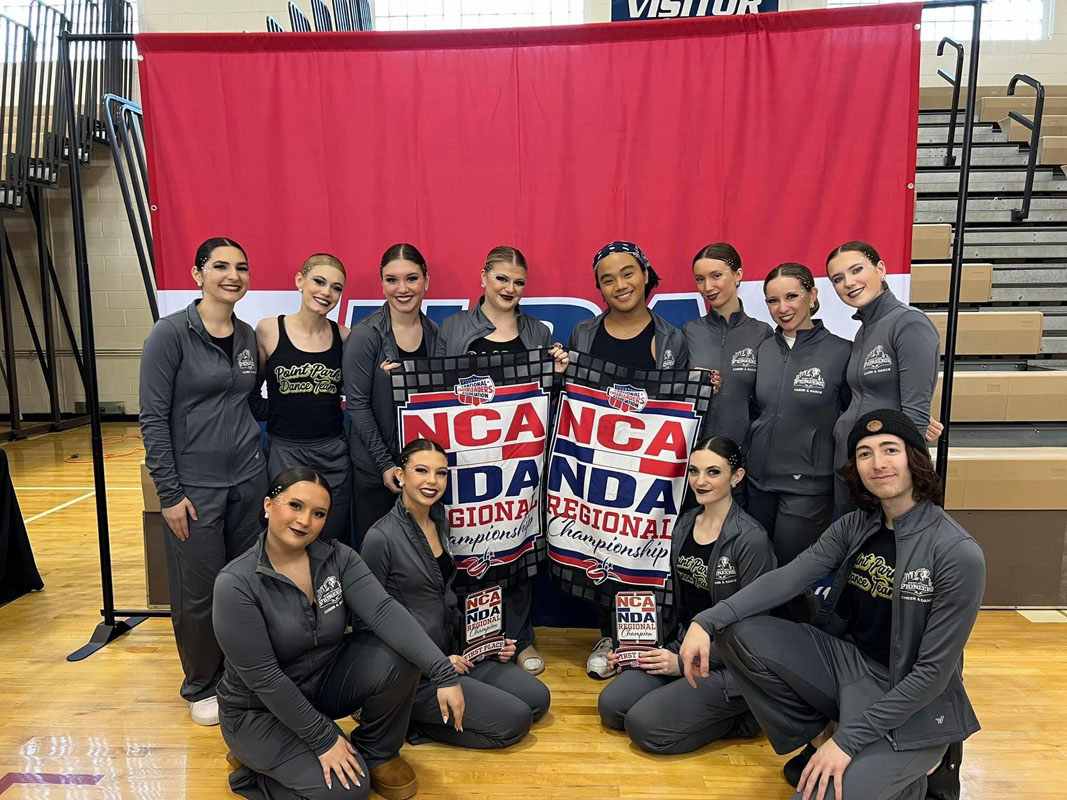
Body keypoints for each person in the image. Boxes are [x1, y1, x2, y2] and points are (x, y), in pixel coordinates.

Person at [679, 409, 985, 800]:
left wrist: (847, 743)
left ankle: (918, 769)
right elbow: (789, 577)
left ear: (915, 457)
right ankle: (827, 734)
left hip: (913, 703)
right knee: (739, 630)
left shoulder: (957, 552)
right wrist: (707, 620)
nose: (878, 463)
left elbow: (931, 675)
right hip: (850, 668)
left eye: (890, 449)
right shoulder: (857, 524)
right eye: (864, 453)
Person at [214, 467, 466, 800]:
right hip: (257, 710)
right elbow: (265, 679)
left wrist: (443, 673)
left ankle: (379, 753)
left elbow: (385, 612)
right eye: (295, 505)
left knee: (398, 653)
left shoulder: (338, 558)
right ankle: (253, 774)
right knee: (349, 792)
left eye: (318, 513)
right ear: (268, 505)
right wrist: (324, 739)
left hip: (320, 686)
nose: (305, 521)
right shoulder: (235, 584)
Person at [139, 237, 267, 726]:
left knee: (244, 585)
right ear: (198, 274)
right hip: (195, 490)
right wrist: (170, 494)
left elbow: (250, 404)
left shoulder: (246, 337)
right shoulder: (169, 335)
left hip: (248, 483)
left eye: (241, 267)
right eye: (220, 266)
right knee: (198, 593)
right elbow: (152, 419)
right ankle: (200, 685)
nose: (232, 276)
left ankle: (240, 674)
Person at [361, 438, 551, 749]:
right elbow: (369, 624)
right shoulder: (380, 538)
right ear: (400, 475)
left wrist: (485, 644)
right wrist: (435, 663)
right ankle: (405, 719)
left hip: (455, 654)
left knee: (537, 698)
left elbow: (443, 601)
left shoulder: (440, 518)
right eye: (421, 471)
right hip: (414, 673)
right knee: (515, 722)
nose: (432, 481)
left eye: (441, 473)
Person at [434, 245, 568, 676]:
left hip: (520, 459)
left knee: (520, 546)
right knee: (469, 551)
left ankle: (521, 638)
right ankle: (472, 639)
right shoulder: (454, 328)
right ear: (483, 277)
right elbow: (436, 392)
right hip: (467, 459)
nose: (509, 288)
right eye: (502, 278)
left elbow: (549, 396)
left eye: (518, 282)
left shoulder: (537, 333)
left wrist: (560, 370)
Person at [596, 436, 773, 754]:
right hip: (684, 646)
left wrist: (680, 664)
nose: (700, 481)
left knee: (644, 728)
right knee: (612, 706)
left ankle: (747, 719)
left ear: (737, 477)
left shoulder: (751, 539)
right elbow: (675, 605)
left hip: (732, 664)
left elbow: (757, 634)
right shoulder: (684, 524)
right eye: (694, 471)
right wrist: (635, 650)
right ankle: (685, 702)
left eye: (713, 472)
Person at [567, 240, 693, 679]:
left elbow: (680, 405)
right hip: (596, 462)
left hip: (650, 464)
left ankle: (640, 638)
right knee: (601, 547)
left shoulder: (671, 337)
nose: (619, 284)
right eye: (607, 279)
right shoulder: (585, 333)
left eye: (627, 273)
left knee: (644, 547)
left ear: (645, 274)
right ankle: (608, 634)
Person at [745, 263, 851, 566]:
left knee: (791, 576)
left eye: (792, 296)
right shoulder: (763, 350)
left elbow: (862, 408)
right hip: (758, 483)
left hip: (808, 487)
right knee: (757, 573)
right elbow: (755, 409)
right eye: (773, 300)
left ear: (812, 295)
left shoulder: (841, 352)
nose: (783, 308)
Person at [826, 241, 942, 513]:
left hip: (884, 473)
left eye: (857, 270)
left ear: (880, 269)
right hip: (853, 464)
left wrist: (894, 475)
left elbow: (914, 414)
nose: (849, 283)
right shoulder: (863, 331)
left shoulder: (909, 323)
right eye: (838, 279)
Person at [343, 243, 439, 546]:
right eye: (391, 279)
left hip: (422, 472)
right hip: (375, 471)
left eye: (411, 278)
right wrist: (385, 464)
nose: (402, 289)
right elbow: (357, 405)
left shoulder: (436, 333)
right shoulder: (366, 333)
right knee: (377, 558)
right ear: (381, 282)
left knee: (422, 554)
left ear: (426, 280)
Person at [255, 253, 351, 544]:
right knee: (287, 540)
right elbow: (249, 393)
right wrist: (281, 414)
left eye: (336, 287)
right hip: (285, 452)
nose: (326, 293)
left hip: (333, 453)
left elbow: (357, 394)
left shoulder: (345, 337)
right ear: (300, 280)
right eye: (319, 282)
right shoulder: (268, 330)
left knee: (331, 540)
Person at [683, 242, 772, 449]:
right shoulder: (689, 332)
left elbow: (768, 401)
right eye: (700, 279)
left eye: (716, 276)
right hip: (694, 452)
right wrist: (691, 382)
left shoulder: (762, 333)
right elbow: (671, 397)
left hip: (742, 453)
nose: (707, 287)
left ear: (737, 275)